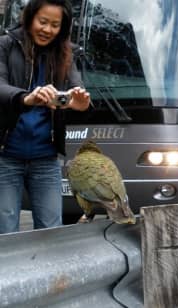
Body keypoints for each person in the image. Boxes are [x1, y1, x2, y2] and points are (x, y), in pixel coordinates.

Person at [0, 0, 90, 234]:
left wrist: (79, 102)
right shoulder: (5, 45)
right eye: (43, 22)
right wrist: (26, 98)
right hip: (5, 156)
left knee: (52, 232)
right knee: (6, 231)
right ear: (30, 18)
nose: (47, 29)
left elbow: (76, 91)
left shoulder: (66, 54)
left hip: (46, 159)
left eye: (55, 25)